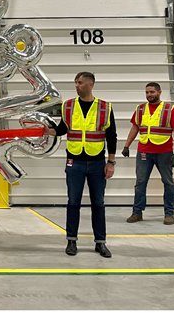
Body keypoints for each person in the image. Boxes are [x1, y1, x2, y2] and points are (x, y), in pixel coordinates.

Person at [45, 72, 116, 258]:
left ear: (90, 84)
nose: (76, 85)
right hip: (74, 160)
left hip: (97, 162)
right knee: (73, 202)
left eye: (80, 82)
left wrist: (111, 162)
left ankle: (100, 243)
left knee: (98, 203)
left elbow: (111, 136)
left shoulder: (105, 107)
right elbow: (62, 129)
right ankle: (71, 241)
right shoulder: (68, 106)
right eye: (75, 82)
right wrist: (47, 131)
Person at [122, 82, 174, 225]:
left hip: (164, 152)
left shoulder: (169, 109)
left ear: (159, 92)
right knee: (140, 182)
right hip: (144, 151)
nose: (149, 95)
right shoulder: (140, 109)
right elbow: (135, 128)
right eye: (147, 92)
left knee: (168, 182)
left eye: (152, 92)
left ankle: (169, 213)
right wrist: (126, 145)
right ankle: (137, 212)